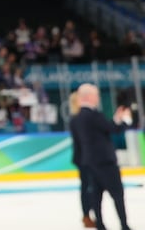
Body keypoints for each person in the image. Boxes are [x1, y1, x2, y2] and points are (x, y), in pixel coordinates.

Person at [70, 83, 133, 230]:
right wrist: (125, 120)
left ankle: (99, 223)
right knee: (117, 194)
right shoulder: (94, 115)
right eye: (96, 95)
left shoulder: (76, 118)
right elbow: (113, 129)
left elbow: (103, 129)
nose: (98, 98)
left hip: (88, 162)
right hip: (104, 161)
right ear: (90, 97)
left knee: (95, 196)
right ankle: (124, 225)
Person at [68, 90, 97, 228]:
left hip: (83, 157)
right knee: (88, 188)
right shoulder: (78, 119)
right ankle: (87, 215)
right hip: (85, 158)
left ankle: (88, 214)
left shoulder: (76, 119)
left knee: (88, 187)